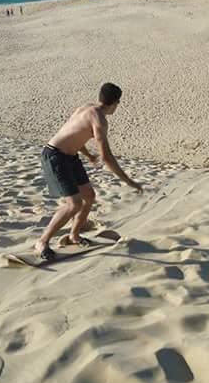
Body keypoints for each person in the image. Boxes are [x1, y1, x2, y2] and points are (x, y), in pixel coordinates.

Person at [35, 83, 142, 260]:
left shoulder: (86, 107)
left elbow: (74, 133)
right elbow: (107, 157)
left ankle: (74, 235)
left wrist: (88, 155)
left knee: (89, 196)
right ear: (115, 103)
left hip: (71, 156)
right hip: (55, 156)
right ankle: (42, 242)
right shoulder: (100, 120)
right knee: (74, 204)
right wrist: (129, 181)